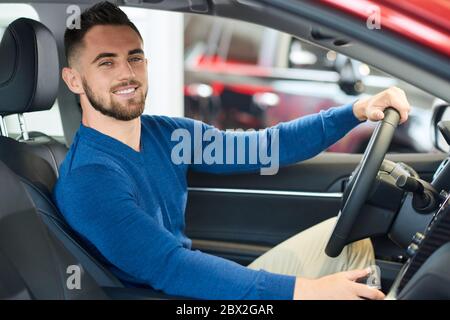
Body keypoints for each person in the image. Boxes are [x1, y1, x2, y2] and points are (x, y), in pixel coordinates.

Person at [54, 2, 410, 300]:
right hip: (181, 298)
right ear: (73, 80)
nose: (127, 74)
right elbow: (171, 266)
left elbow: (267, 146)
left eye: (135, 58)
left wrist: (355, 111)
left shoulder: (168, 135)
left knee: (352, 241)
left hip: (197, 290)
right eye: (106, 62)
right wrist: (305, 291)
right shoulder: (89, 178)